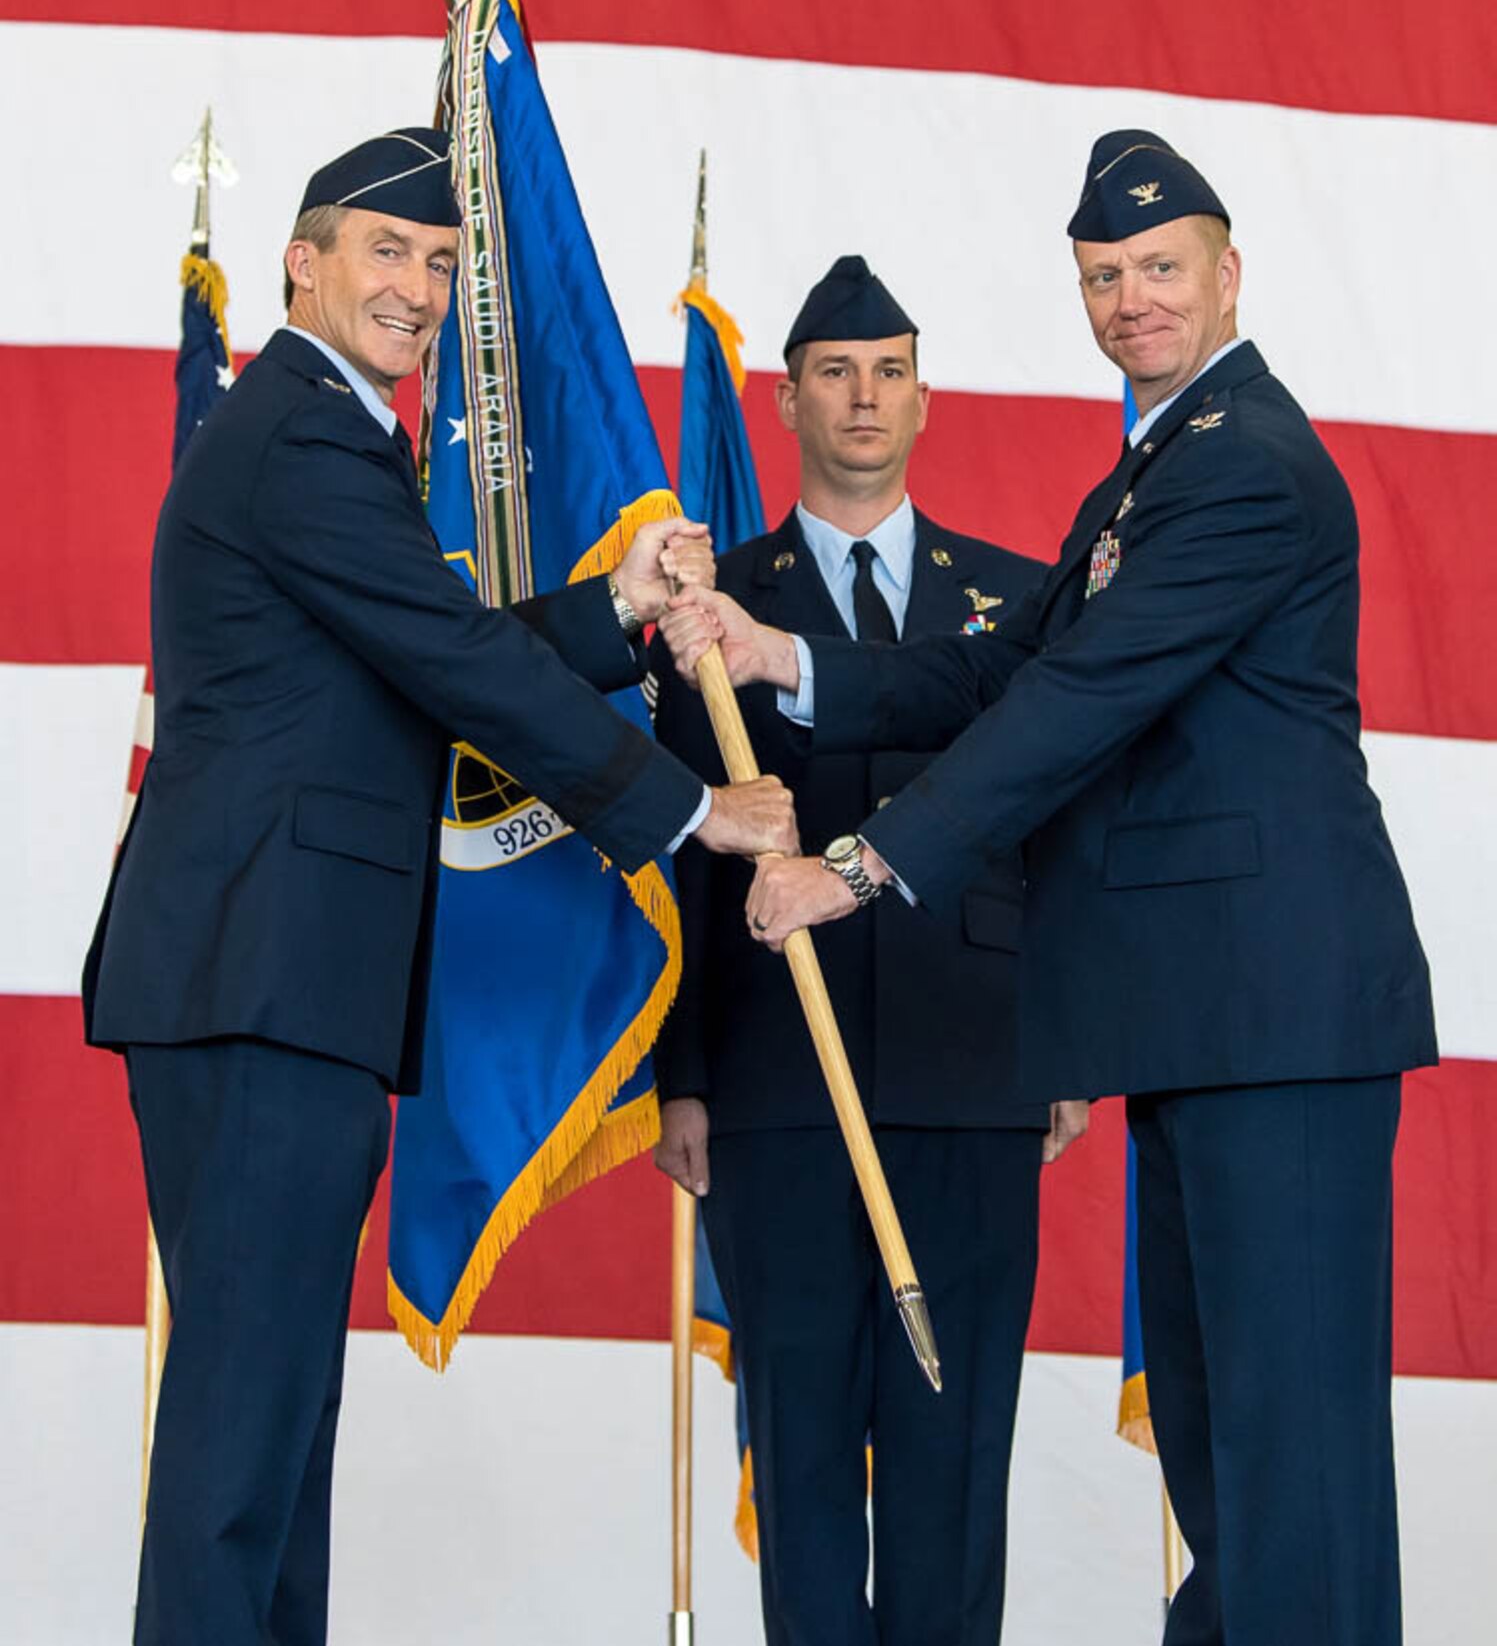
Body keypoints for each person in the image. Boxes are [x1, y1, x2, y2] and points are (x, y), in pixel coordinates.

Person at [662, 133, 1438, 1646]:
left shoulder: (1245, 469)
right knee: (1225, 1456)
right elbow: (1014, 663)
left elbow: (1072, 706)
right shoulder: (1159, 469)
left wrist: (861, 863)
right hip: (1210, 1023)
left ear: (1228, 274)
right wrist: (785, 661)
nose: (1132, 299)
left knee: (1290, 1466)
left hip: (1277, 1016)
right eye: (1103, 277)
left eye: (1160, 269)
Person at [82, 127, 796, 1646]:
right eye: (386, 252)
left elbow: (426, 653)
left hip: (280, 983)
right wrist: (685, 813)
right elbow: (457, 665)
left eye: (442, 264)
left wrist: (614, 608)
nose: (418, 290)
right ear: (303, 260)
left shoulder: (329, 437)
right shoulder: (298, 432)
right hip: (258, 981)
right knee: (237, 1440)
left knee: (267, 1426)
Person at [651, 254, 1087, 1646]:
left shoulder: (1015, 602)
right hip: (777, 1087)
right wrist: (681, 1073)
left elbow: (1052, 833)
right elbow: (670, 860)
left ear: (922, 398)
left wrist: (1068, 1038)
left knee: (954, 1460)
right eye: (834, 372)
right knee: (798, 1447)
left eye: (887, 370)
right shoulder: (710, 613)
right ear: (783, 400)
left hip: (972, 1072)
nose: (862, 396)